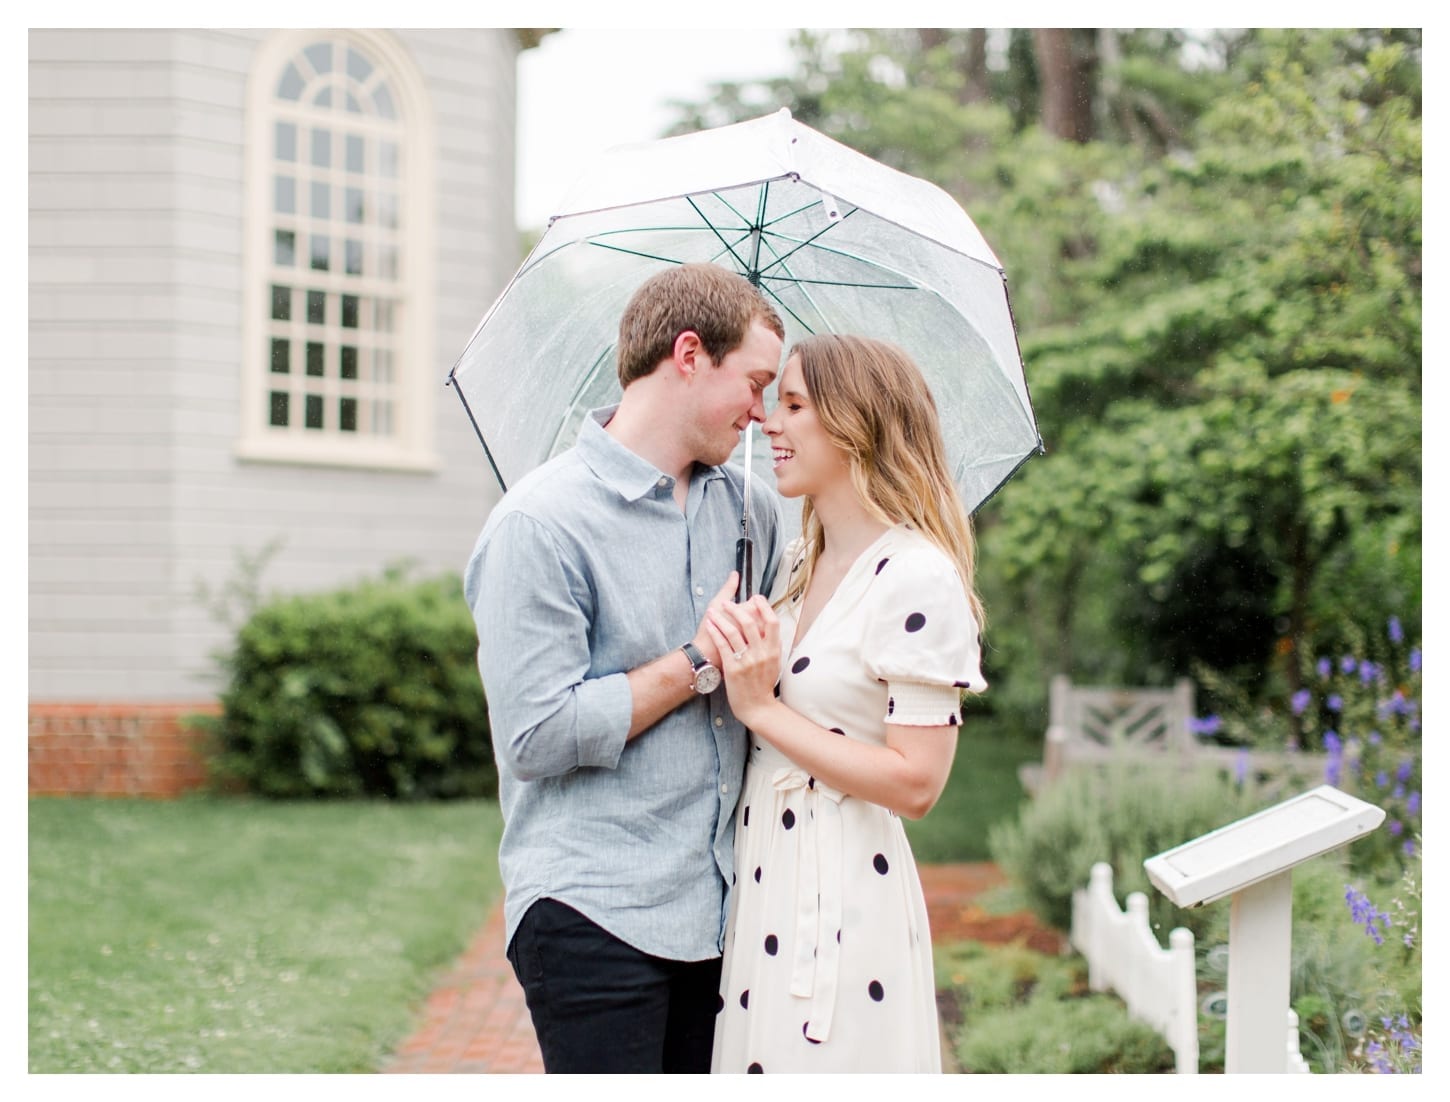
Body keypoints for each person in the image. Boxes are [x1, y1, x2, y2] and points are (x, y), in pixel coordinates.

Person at [462, 263, 787, 1074]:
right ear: (688, 354)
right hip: (593, 911)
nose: (762, 410)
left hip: (728, 910)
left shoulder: (754, 511)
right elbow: (535, 736)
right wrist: (697, 662)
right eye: (754, 382)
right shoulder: (540, 524)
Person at [704, 333, 987, 1073]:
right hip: (763, 875)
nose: (770, 422)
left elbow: (917, 783)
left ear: (856, 423)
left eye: (794, 404)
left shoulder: (917, 578)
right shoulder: (799, 562)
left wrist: (764, 710)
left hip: (841, 898)